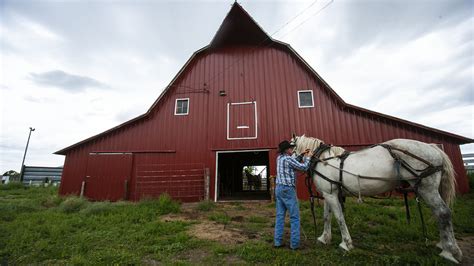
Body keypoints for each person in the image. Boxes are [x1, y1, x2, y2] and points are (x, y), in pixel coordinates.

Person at [274, 140, 313, 250]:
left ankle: (277, 242)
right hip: (288, 189)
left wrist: (301, 155)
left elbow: (293, 162)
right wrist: (308, 157)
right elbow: (304, 167)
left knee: (280, 216)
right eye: (290, 148)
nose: (292, 149)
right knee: (295, 217)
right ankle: (295, 244)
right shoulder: (288, 159)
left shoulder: (280, 158)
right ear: (287, 150)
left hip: (279, 188)